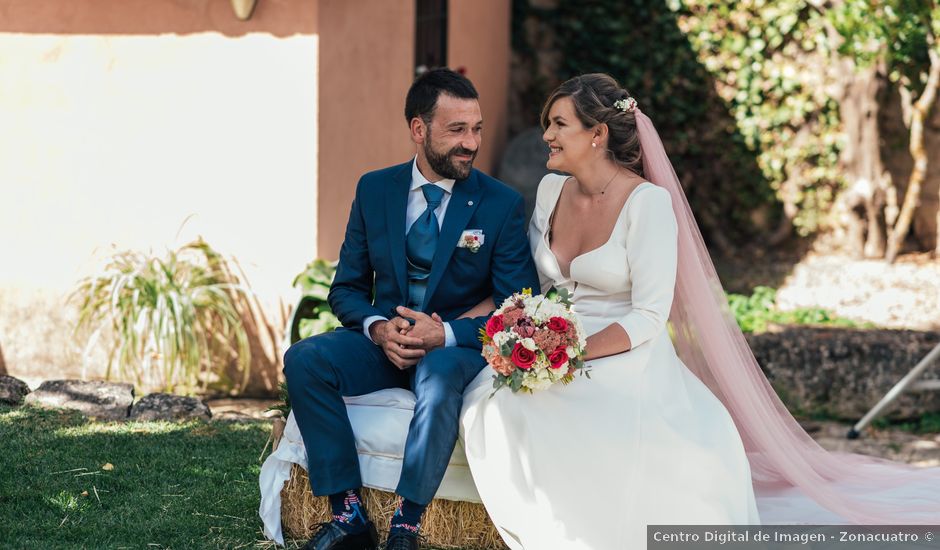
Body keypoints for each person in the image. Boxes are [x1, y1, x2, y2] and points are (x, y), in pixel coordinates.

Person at [460, 73, 940, 549]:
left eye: (559, 124)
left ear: (597, 134)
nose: (546, 134)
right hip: (551, 346)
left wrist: (570, 352)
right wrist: (511, 333)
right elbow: (533, 287)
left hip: (626, 351)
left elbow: (649, 316)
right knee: (494, 402)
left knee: (558, 408)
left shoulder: (648, 205)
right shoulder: (549, 192)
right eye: (548, 124)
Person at [283, 68, 539, 550]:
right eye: (457, 130)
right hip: (383, 345)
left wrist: (446, 335)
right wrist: (380, 329)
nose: (471, 143)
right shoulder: (374, 190)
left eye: (477, 128)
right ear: (418, 129)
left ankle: (407, 523)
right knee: (305, 359)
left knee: (441, 379)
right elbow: (347, 289)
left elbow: (516, 306)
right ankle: (349, 514)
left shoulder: (499, 204)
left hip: (450, 348)